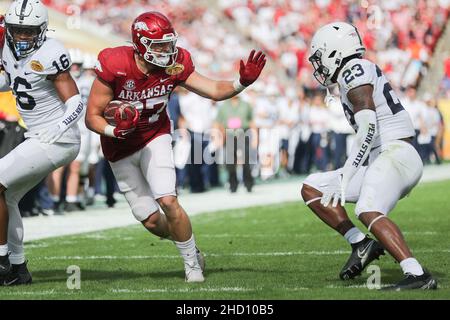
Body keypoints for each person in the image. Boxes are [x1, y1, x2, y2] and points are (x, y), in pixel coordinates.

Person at [85, 12, 265, 282]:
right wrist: (114, 130)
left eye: (168, 44)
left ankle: (192, 264)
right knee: (151, 221)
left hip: (154, 136)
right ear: (139, 43)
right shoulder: (115, 63)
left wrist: (242, 83)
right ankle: (189, 244)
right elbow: (92, 116)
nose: (166, 50)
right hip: (119, 147)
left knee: (168, 200)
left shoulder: (176, 64)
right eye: (158, 45)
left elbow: (214, 89)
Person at [301, 22, 437, 290]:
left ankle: (417, 274)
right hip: (383, 156)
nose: (319, 66)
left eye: (320, 58)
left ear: (334, 52)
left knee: (366, 207)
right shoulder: (350, 74)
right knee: (313, 187)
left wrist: (348, 173)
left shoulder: (354, 70)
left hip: (396, 152)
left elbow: (369, 127)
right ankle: (361, 244)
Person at [0, 1, 84, 285]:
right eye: (17, 30)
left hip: (58, 138)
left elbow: (75, 102)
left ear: (42, 30)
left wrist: (60, 126)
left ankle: (1, 260)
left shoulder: (51, 52)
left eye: (28, 31)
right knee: (7, 197)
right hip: (39, 137)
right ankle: (18, 269)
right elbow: (14, 81)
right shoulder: (7, 48)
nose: (22, 37)